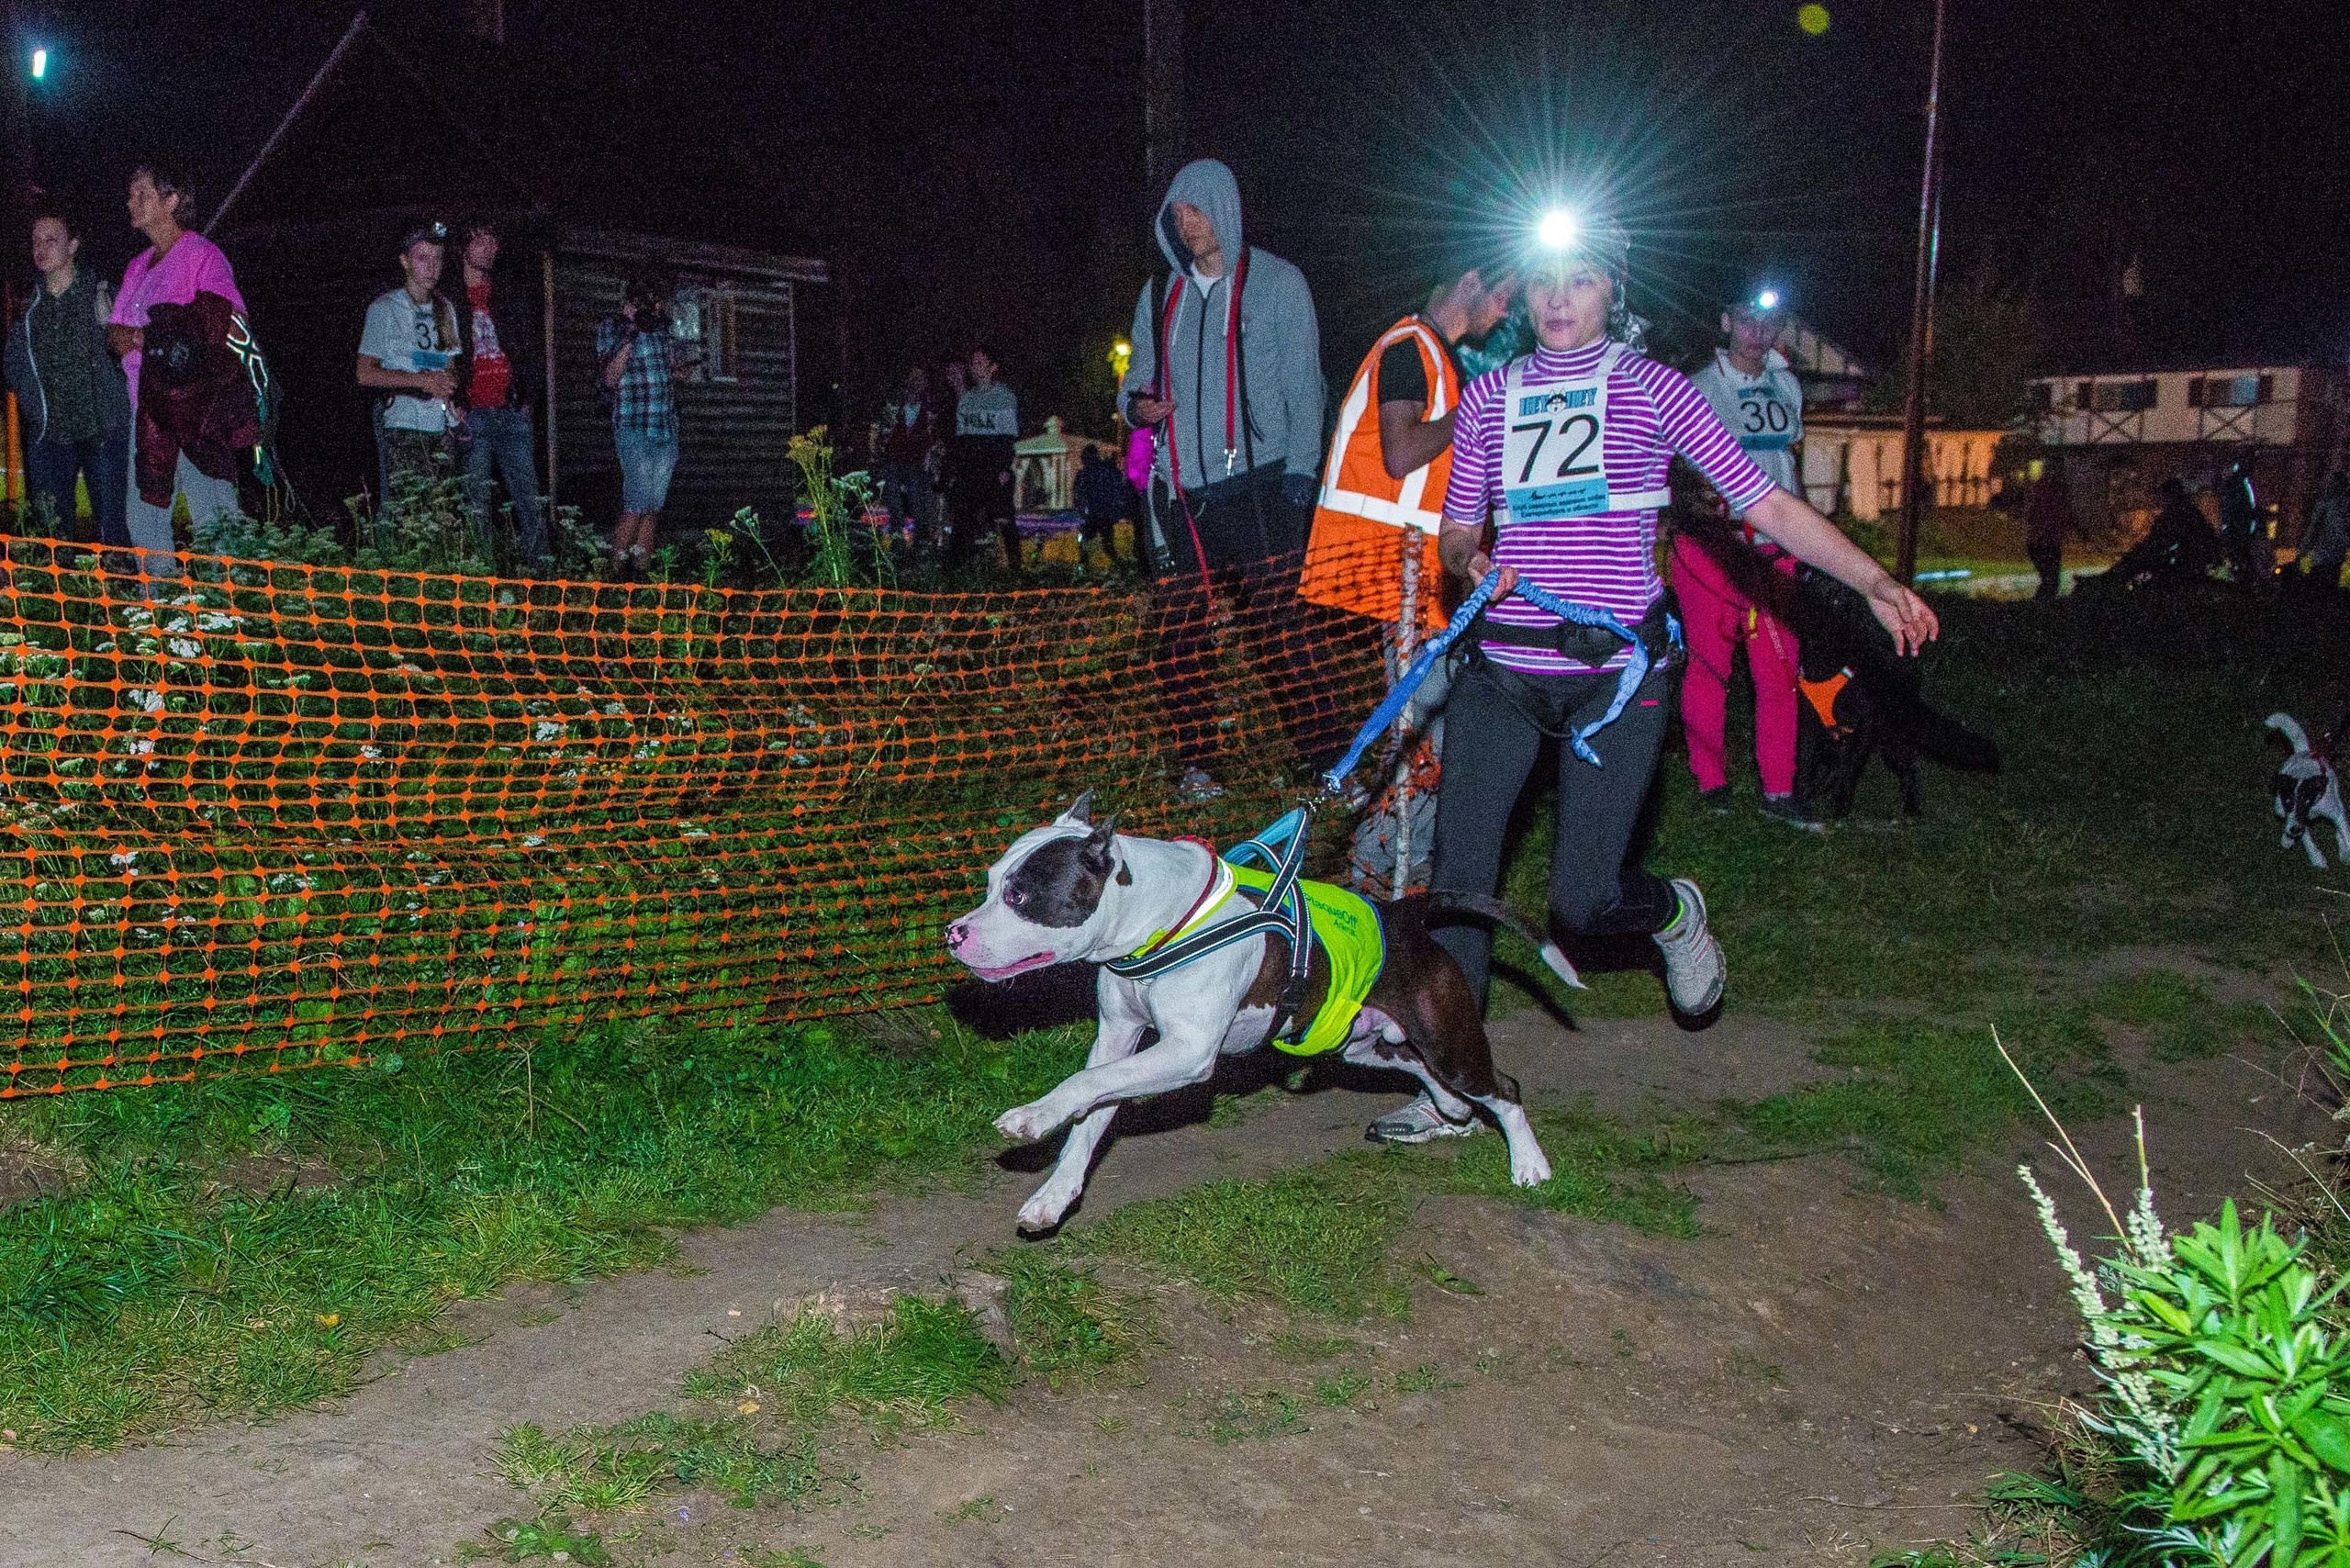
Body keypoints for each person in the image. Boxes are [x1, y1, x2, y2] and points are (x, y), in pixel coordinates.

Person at [1380, 216, 1938, 1146]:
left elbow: (1765, 504)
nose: (1560, 299)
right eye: (1546, 280)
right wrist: (1470, 562)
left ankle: (1676, 912)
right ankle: (1456, 1089)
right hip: (1505, 668)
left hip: (1617, 674)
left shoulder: (1654, 392)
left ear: (1611, 293)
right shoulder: (1489, 399)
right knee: (1459, 884)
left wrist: (1874, 581)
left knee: (1583, 902)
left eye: (1582, 280)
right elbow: (1455, 528)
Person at [1120, 158, 1326, 791]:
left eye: (1198, 210)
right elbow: (1133, 384)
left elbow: (1306, 385)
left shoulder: (1279, 283)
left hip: (1265, 487)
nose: (1187, 225)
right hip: (1185, 491)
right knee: (1180, 639)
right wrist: (1138, 406)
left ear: (1226, 209)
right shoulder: (1160, 296)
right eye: (1177, 214)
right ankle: (1200, 763)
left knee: (1280, 632)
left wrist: (1302, 470)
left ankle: (1325, 759)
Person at [1301, 242, 1518, 628]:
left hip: (1407, 573)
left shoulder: (1436, 358)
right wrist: (1473, 411)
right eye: (1502, 296)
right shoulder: (1408, 350)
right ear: (1470, 283)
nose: (1505, 311)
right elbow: (1399, 454)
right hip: (1385, 571)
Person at [1672, 286, 1819, 830]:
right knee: (1710, 668)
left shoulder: (1786, 385)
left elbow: (1787, 461)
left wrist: (1805, 538)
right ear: (1726, 321)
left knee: (1779, 670)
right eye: (1748, 320)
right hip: (1715, 547)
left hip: (1775, 547)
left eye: (1770, 321)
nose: (1759, 331)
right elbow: (1675, 468)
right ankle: (1711, 780)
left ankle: (1779, 787)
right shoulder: (1698, 387)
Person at [107, 159, 247, 580]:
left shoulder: (201, 255)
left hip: (196, 412)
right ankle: (164, 616)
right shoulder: (138, 265)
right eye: (131, 195)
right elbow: (115, 333)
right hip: (146, 413)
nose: (132, 202)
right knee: (145, 519)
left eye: (142, 194)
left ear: (170, 201)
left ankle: (228, 615)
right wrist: (145, 337)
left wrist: (148, 337)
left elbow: (223, 325)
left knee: (215, 521)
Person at [5, 207, 130, 545]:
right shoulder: (26, 306)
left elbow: (129, 352)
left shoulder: (101, 294)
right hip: (50, 435)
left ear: (73, 245)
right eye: (35, 241)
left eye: (52, 239)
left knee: (113, 534)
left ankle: (119, 594)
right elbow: (13, 363)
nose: (40, 248)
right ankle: (54, 598)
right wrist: (35, 410)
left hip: (103, 433)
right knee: (50, 538)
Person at [452, 216, 548, 573]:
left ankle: (542, 575)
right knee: (476, 499)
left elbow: (530, 349)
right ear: (465, 246)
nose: (491, 249)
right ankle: (481, 577)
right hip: (472, 414)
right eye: (482, 241)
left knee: (529, 497)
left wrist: (527, 398)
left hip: (509, 411)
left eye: (494, 242)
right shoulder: (450, 298)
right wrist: (455, 402)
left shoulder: (506, 294)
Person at [356, 219, 463, 521]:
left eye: (438, 258)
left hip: (440, 427)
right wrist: (420, 381)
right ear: (405, 262)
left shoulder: (446, 308)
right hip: (401, 424)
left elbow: (450, 365)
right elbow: (365, 373)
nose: (432, 267)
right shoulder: (385, 308)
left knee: (443, 511)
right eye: (422, 258)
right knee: (406, 513)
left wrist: (449, 389)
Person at [596, 267, 685, 581]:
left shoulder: (663, 330)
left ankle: (640, 577)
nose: (659, 308)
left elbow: (671, 368)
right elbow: (609, 378)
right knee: (635, 503)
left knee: (652, 507)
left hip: (665, 427)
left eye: (661, 303)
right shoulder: (613, 327)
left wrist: (678, 370)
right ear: (637, 300)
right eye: (653, 302)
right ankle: (610, 579)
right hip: (634, 427)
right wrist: (631, 333)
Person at [947, 345, 1021, 577]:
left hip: (994, 467)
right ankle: (957, 570)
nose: (975, 368)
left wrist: (1003, 466)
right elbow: (962, 437)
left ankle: (1015, 568)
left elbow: (1008, 436)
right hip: (970, 468)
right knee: (963, 517)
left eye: (981, 363)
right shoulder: (966, 399)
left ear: (992, 368)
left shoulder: (1005, 398)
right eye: (973, 364)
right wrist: (958, 469)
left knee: (1003, 517)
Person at [877, 364, 938, 554]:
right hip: (894, 460)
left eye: (920, 378)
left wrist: (931, 460)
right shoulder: (895, 405)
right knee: (894, 505)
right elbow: (883, 432)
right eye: (913, 378)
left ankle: (921, 544)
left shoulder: (930, 406)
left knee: (918, 504)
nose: (916, 383)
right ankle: (897, 545)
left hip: (917, 462)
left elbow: (933, 435)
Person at [1070, 442, 1133, 572]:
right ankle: (1118, 568)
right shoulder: (1107, 469)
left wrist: (1082, 510)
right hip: (1105, 515)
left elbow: (1077, 494)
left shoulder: (1085, 473)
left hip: (1094, 515)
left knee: (1084, 540)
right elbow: (1119, 487)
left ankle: (1083, 567)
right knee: (1107, 544)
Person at [2023, 466, 2076, 600]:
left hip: (2040, 543)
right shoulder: (2052, 498)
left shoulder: (2041, 495)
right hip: (2045, 543)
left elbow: (2031, 517)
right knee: (2050, 581)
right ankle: (2042, 607)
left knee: (2049, 580)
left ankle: (2041, 606)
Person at [2217, 454, 2262, 581]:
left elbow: (2246, 508)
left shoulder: (2237, 484)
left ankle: (2242, 578)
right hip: (2239, 528)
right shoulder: (2238, 483)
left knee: (2239, 555)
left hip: (2239, 529)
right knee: (2238, 555)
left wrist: (2227, 527)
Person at [2302, 469, 2349, 591]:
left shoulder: (2325, 503)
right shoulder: (2344, 504)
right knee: (2330, 589)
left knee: (2318, 589)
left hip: (2322, 556)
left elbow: (2314, 528)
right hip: (2337, 556)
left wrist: (2302, 550)